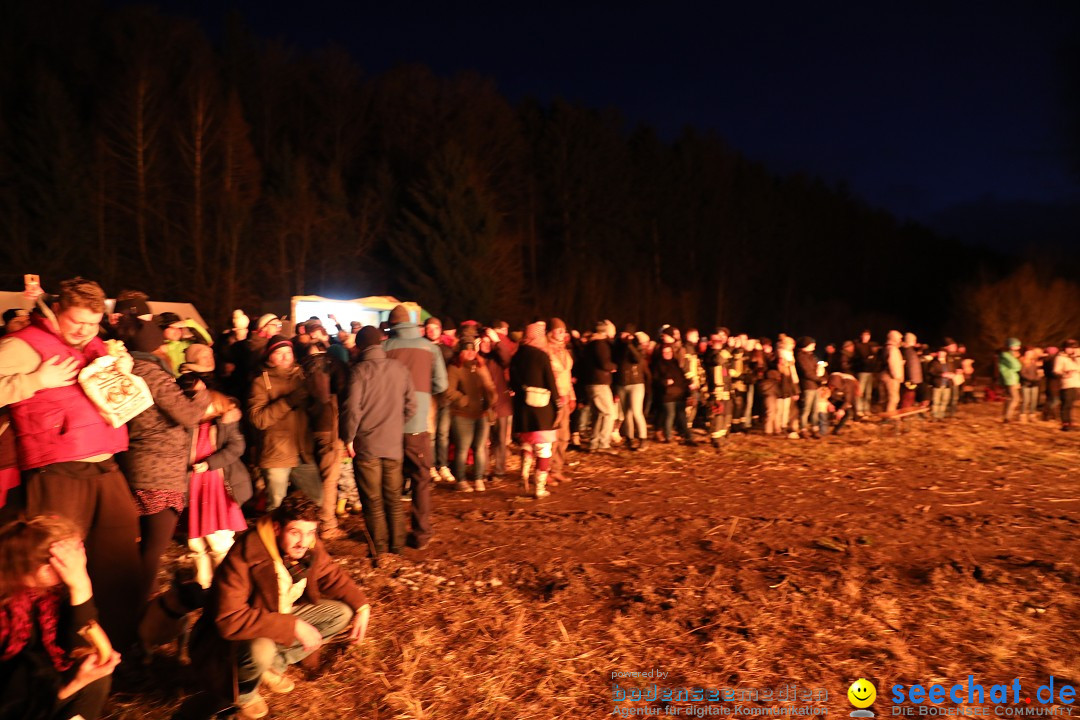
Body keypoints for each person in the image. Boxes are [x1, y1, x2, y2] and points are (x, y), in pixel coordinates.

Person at [0, 278, 140, 649]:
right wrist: (34, 380)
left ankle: (116, 643)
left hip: (106, 464)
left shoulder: (96, 344)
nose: (84, 330)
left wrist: (122, 368)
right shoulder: (23, 345)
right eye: (76, 321)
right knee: (54, 563)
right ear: (56, 310)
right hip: (56, 469)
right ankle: (55, 650)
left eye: (93, 323)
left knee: (119, 555)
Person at [190, 495, 370, 719]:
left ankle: (273, 665)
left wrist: (362, 606)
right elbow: (229, 619)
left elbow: (330, 574)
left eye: (310, 533)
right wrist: (292, 625)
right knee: (260, 649)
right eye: (295, 532)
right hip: (234, 637)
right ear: (277, 528)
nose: (303, 542)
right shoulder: (246, 555)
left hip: (279, 614)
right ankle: (244, 694)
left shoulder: (309, 544)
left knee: (340, 613)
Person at [118, 318, 210, 606]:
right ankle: (136, 609)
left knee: (139, 547)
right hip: (160, 472)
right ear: (155, 346)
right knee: (152, 551)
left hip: (137, 465)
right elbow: (189, 415)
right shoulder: (153, 373)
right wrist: (201, 394)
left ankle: (127, 602)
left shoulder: (129, 370)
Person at [0, 516, 122, 720]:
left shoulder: (47, 594)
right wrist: (73, 684)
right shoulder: (5, 619)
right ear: (45, 568)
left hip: (39, 695)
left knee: (96, 679)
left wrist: (81, 587)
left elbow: (80, 646)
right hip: (17, 708)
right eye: (72, 559)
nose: (80, 563)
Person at [341, 327, 416, 557]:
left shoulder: (359, 371)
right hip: (393, 445)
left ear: (361, 346)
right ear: (381, 343)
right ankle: (398, 548)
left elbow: (352, 409)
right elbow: (412, 406)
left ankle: (381, 549)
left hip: (367, 445)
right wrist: (395, 425)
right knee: (393, 498)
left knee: (372, 500)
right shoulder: (399, 369)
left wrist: (349, 437)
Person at [384, 306, 448, 551]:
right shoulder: (430, 348)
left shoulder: (384, 348)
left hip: (387, 425)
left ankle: (393, 534)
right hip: (418, 425)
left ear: (391, 326)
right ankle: (421, 534)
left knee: (390, 481)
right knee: (421, 480)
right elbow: (441, 384)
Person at [183, 388, 250, 589]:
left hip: (215, 485)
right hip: (193, 484)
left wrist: (211, 463)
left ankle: (229, 583)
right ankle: (202, 584)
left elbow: (236, 448)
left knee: (219, 537)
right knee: (195, 540)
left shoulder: (225, 423)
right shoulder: (190, 424)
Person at [248, 336, 321, 511]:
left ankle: (305, 536)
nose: (284, 357)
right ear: (269, 357)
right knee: (276, 506)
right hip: (276, 454)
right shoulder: (261, 382)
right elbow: (258, 419)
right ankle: (269, 538)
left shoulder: (302, 376)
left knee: (316, 499)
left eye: (288, 352)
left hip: (303, 452)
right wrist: (288, 402)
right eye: (278, 353)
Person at [509, 322, 560, 498]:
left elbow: (512, 382)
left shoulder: (516, 355)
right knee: (543, 449)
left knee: (526, 444)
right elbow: (550, 383)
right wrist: (558, 404)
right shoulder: (541, 356)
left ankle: (524, 473)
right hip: (542, 409)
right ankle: (539, 487)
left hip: (522, 408)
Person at [445, 337, 497, 492]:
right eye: (467, 349)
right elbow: (449, 390)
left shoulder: (481, 366)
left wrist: (492, 397)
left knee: (480, 447)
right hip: (462, 415)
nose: (470, 353)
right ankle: (460, 480)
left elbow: (489, 385)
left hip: (481, 414)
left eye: (473, 349)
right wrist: (464, 399)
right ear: (461, 351)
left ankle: (478, 478)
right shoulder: (455, 368)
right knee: (463, 447)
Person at [581, 320, 617, 452]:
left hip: (592, 382)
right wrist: (614, 367)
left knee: (598, 414)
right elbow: (605, 364)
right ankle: (603, 443)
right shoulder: (600, 344)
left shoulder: (591, 344)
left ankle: (594, 443)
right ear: (606, 331)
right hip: (599, 383)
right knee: (609, 413)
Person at [1054, 340, 1080, 431]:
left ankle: (1070, 422)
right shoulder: (1060, 358)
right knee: (1066, 404)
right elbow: (1056, 370)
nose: (1071, 350)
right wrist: (1065, 374)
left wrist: (1077, 356)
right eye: (1069, 348)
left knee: (1071, 405)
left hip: (1076, 383)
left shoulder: (1075, 358)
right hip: (1066, 383)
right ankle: (1065, 423)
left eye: (1073, 348)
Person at [998, 338, 1022, 423]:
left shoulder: (1007, 354)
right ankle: (1008, 417)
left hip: (1011, 378)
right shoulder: (1005, 355)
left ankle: (1006, 416)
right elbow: (1017, 366)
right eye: (1017, 345)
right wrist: (1016, 358)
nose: (1019, 347)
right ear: (1012, 346)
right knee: (1015, 398)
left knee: (1009, 398)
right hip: (1010, 379)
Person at [1018, 346, 1043, 423]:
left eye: (1031, 353)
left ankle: (1032, 415)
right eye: (1028, 353)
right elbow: (1022, 374)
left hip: (1035, 384)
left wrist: (1038, 378)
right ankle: (1023, 415)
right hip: (1026, 384)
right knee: (1026, 400)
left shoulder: (1036, 363)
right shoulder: (1023, 362)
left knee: (1034, 401)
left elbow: (1039, 373)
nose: (1030, 355)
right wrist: (1031, 379)